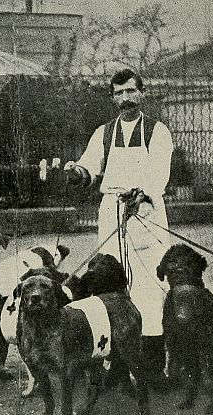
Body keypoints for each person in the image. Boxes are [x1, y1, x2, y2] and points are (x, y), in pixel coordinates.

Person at [64, 68, 173, 388]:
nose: (125, 99)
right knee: (111, 288)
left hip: (145, 212)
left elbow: (158, 175)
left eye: (131, 91)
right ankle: (116, 366)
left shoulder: (157, 131)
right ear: (112, 98)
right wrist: (76, 172)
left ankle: (153, 368)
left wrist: (142, 194)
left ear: (142, 93)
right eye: (119, 93)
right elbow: (89, 167)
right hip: (111, 212)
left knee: (149, 290)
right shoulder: (104, 133)